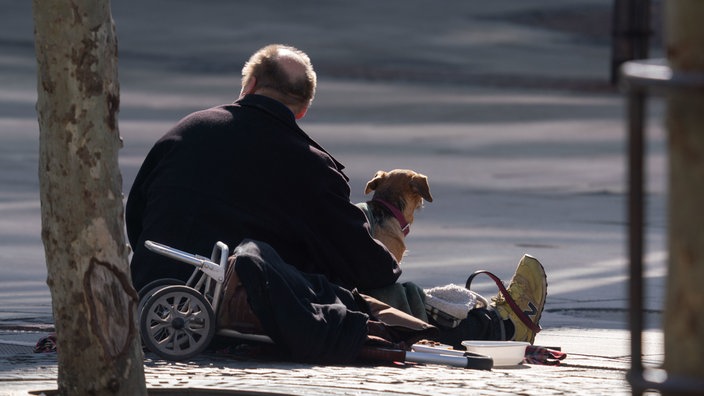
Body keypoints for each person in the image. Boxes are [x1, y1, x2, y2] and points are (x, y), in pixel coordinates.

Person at [126, 44, 547, 347]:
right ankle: (498, 328)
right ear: (304, 108)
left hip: (155, 291)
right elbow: (364, 265)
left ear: (249, 86)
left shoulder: (184, 131)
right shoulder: (310, 164)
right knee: (375, 299)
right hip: (247, 302)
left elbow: (136, 216)